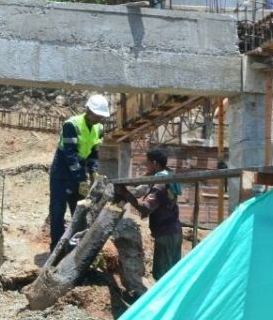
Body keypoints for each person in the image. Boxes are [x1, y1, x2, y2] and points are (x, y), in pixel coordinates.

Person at [48, 94, 110, 251]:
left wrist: (94, 172)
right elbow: (70, 155)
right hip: (61, 172)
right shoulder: (72, 124)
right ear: (88, 110)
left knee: (79, 211)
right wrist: (81, 179)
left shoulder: (99, 128)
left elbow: (94, 152)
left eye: (101, 116)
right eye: (97, 115)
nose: (99, 119)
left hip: (79, 168)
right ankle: (56, 249)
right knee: (57, 211)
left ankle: (76, 249)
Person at [119, 148, 183, 280]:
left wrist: (125, 193)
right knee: (173, 274)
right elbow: (144, 185)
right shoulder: (169, 175)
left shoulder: (160, 184)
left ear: (154, 164)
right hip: (175, 232)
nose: (146, 167)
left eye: (147, 163)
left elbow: (145, 208)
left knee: (161, 276)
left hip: (165, 234)